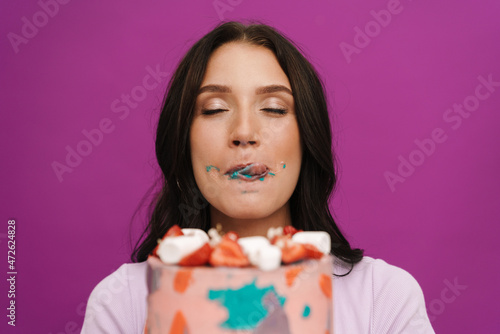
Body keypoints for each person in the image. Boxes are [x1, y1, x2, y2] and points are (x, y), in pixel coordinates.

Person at [81, 21, 434, 333]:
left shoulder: (383, 298)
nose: (244, 132)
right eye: (215, 109)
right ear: (182, 142)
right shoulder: (123, 302)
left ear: (308, 138)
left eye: (274, 109)